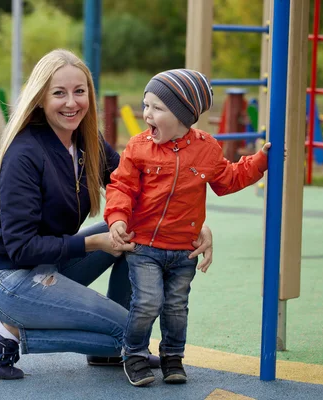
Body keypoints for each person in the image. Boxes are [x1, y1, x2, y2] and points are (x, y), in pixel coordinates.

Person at [0, 49, 214, 380]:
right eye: (59, 93)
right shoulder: (24, 154)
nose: (72, 103)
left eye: (79, 91)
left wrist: (193, 226)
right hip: (7, 276)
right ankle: (6, 332)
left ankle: (109, 353)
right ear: (41, 98)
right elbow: (21, 248)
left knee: (137, 230)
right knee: (129, 334)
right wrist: (94, 243)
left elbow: (143, 191)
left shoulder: (85, 141)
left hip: (48, 260)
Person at [104, 69, 270, 386]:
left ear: (183, 116)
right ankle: (135, 354)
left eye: (157, 108)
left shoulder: (207, 149)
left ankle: (172, 357)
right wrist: (118, 218)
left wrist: (259, 161)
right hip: (145, 247)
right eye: (146, 104)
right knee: (148, 302)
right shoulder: (139, 147)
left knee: (176, 307)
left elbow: (229, 179)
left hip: (184, 250)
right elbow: (121, 187)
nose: (147, 114)